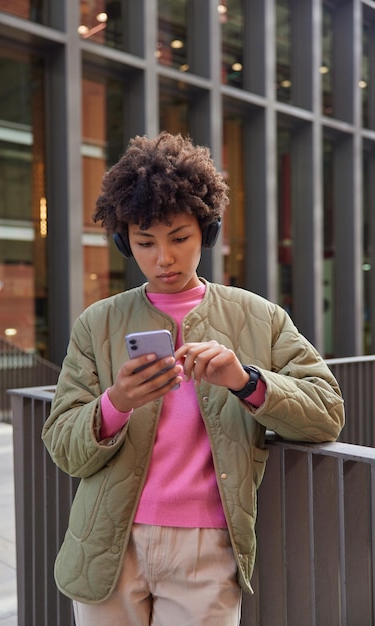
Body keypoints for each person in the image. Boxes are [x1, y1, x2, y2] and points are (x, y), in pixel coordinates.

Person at [42, 131, 345, 626]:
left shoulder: (259, 316)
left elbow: (327, 414)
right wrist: (115, 402)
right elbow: (62, 445)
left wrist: (246, 380)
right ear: (125, 242)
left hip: (209, 549)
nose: (163, 258)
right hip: (109, 544)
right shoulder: (97, 323)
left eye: (179, 238)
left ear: (206, 231)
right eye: (144, 242)